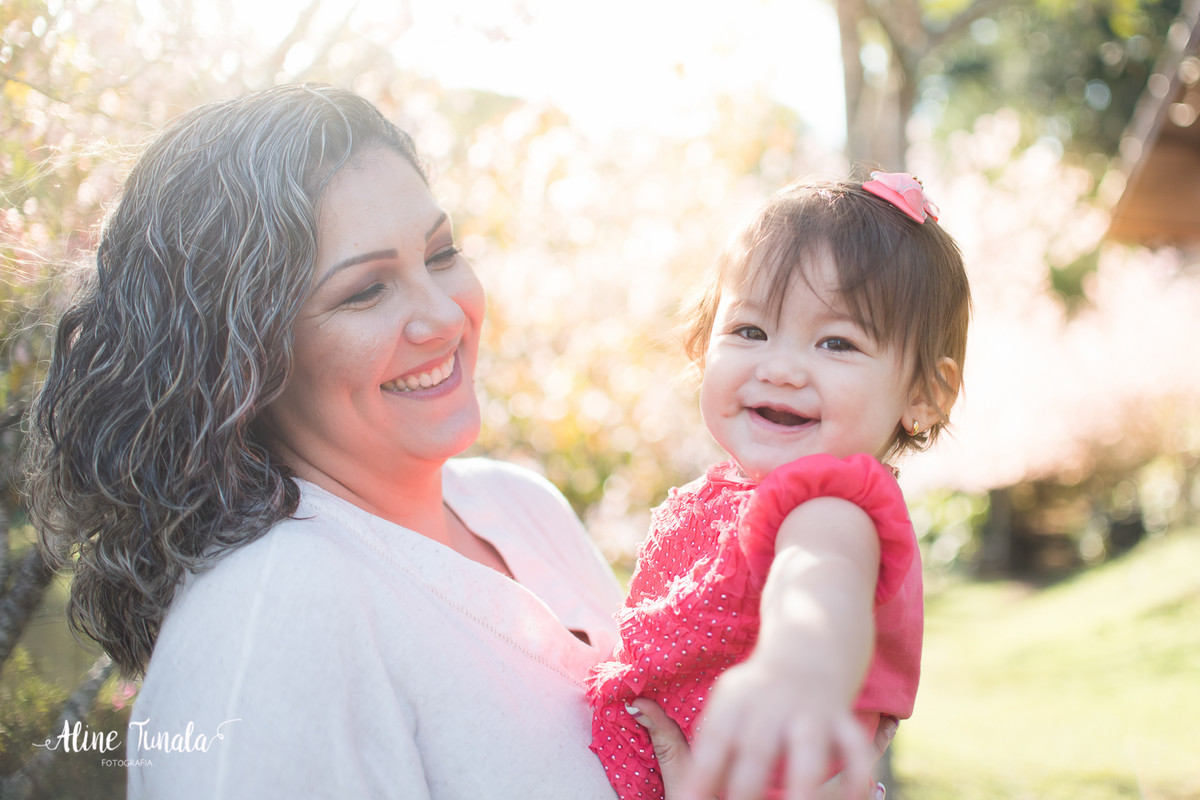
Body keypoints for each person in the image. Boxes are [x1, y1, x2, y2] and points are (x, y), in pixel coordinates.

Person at [27, 84, 892, 800]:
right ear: (244, 355)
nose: (443, 316)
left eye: (441, 255)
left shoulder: (518, 507)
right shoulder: (266, 623)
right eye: (366, 292)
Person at [586, 173, 971, 800]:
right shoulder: (733, 494)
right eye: (750, 332)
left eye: (836, 342)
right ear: (700, 346)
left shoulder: (835, 501)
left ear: (925, 395)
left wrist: (798, 660)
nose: (782, 368)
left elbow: (819, 575)